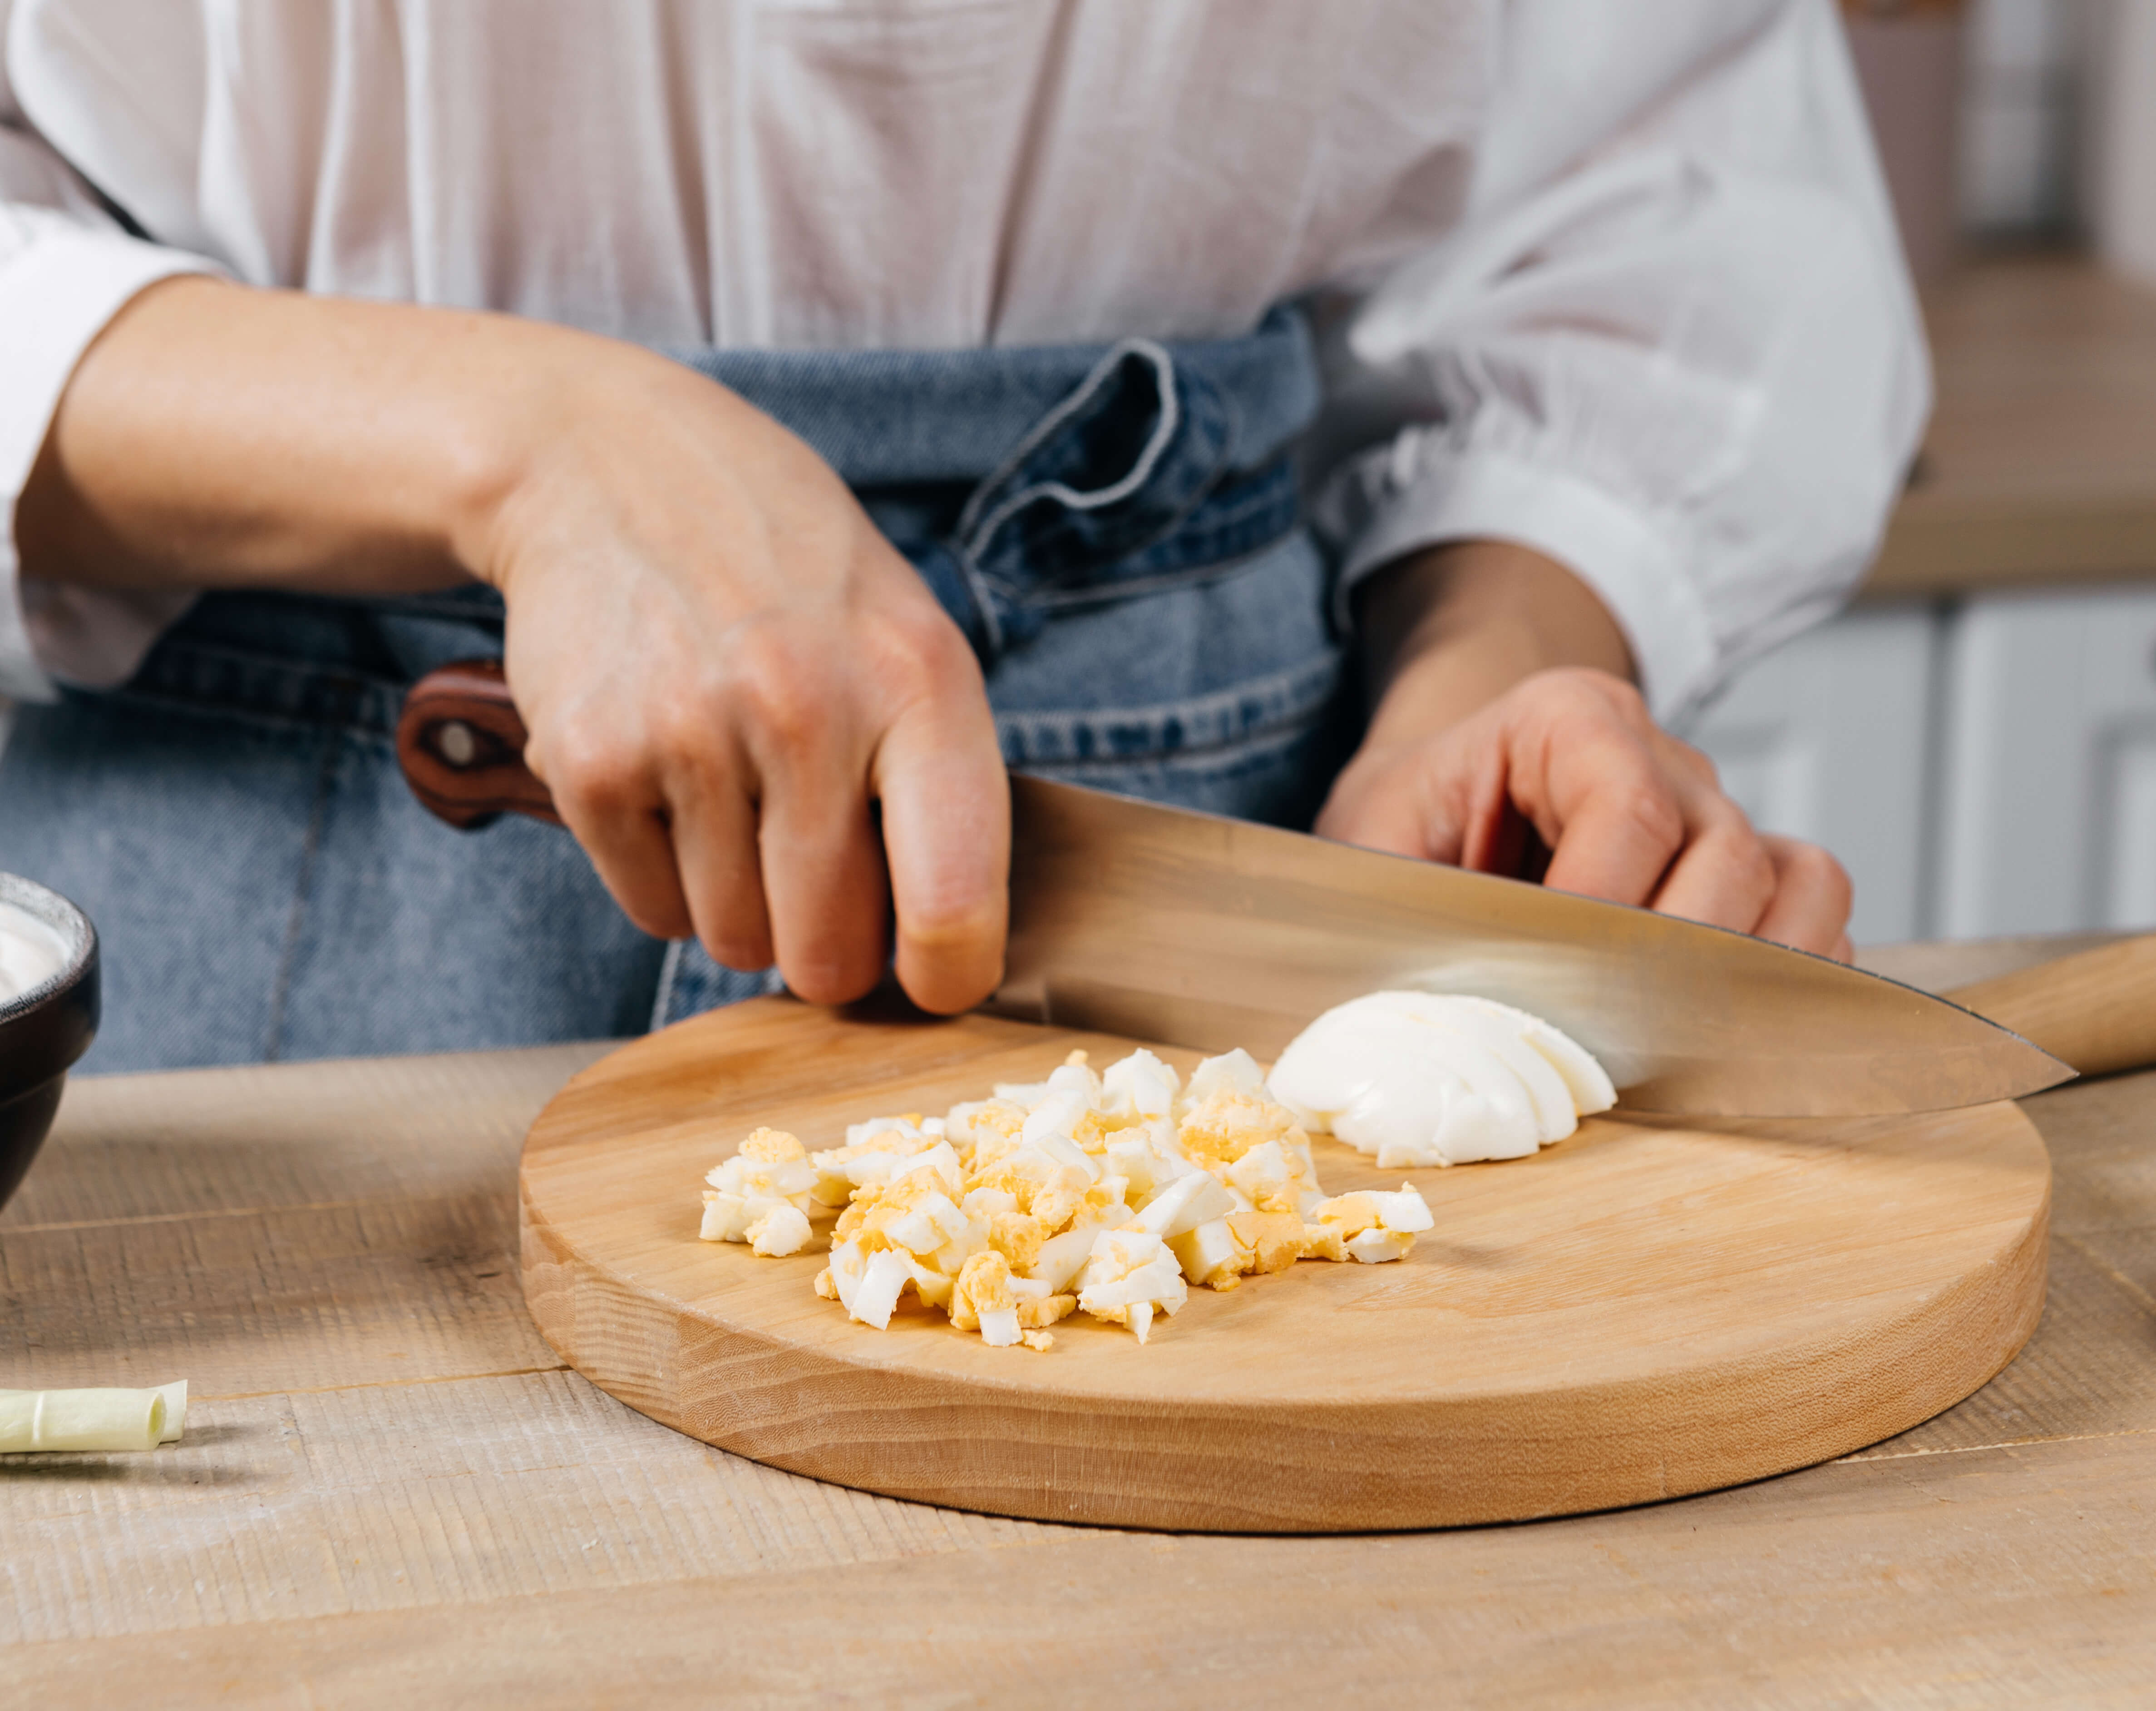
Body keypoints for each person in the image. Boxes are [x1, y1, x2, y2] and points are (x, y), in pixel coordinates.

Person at [0, 0, 1925, 1073]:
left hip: (1246, 829)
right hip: (272, 904)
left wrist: (1497, 664)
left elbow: (1641, 217)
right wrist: (534, 450)